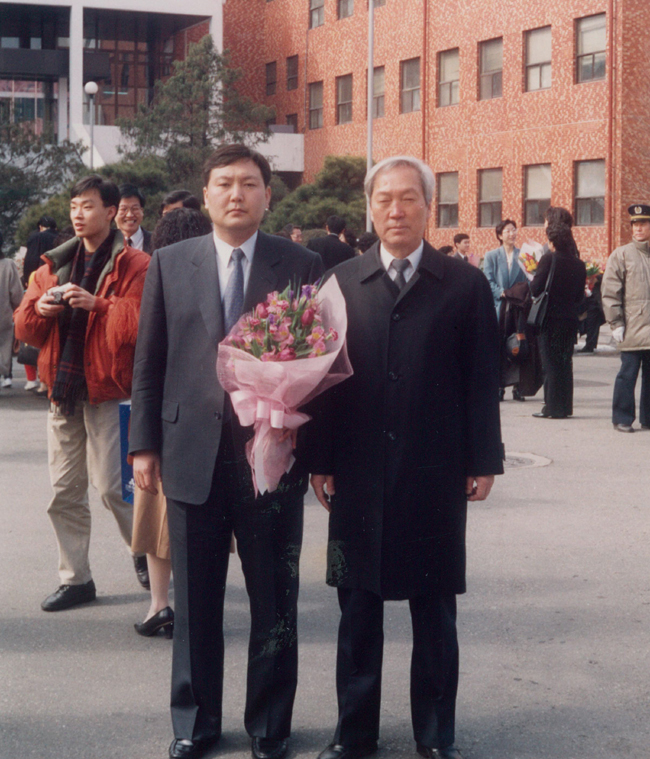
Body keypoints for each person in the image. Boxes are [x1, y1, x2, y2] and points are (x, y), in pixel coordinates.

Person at [303, 155, 503, 759]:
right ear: (371, 207)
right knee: (357, 609)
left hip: (434, 469)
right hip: (357, 473)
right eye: (384, 199)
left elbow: (480, 381)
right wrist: (320, 458)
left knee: (435, 610)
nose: (396, 209)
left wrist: (483, 458)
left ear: (428, 204)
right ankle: (354, 731)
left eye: (408, 198)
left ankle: (435, 734)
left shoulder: (464, 285)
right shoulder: (339, 283)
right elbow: (322, 379)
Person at [129, 143, 323, 759]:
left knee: (274, 600)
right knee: (195, 603)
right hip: (190, 454)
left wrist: (311, 452)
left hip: (271, 458)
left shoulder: (300, 262)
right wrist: (143, 446)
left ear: (268, 194)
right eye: (223, 183)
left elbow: (319, 360)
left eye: (248, 183)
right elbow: (149, 361)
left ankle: (270, 724)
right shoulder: (169, 262)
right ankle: (194, 723)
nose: (235, 193)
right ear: (207, 194)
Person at [14, 174, 151, 611]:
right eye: (74, 205)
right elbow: (24, 328)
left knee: (115, 488)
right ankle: (76, 578)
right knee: (63, 490)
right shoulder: (50, 266)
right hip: (63, 390)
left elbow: (141, 323)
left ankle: (147, 552)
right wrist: (40, 308)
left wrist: (99, 304)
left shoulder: (135, 264)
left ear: (111, 212)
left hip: (109, 389)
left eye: (88, 206)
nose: (78, 214)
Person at [131, 207, 213, 639]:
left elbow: (146, 358)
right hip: (208, 421)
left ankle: (158, 604)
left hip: (165, 418)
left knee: (155, 517)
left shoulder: (158, 273)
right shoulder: (209, 274)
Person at [530, 222, 586, 419]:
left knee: (550, 363)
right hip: (569, 320)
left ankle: (552, 407)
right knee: (565, 362)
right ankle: (565, 407)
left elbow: (535, 288)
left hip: (549, 319)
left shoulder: (548, 259)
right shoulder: (579, 264)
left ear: (552, 241)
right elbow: (580, 296)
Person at [602, 203, 650, 433]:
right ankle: (621, 417)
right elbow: (611, 291)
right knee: (627, 374)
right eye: (635, 224)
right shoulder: (622, 254)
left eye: (643, 223)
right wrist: (616, 322)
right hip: (632, 326)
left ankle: (648, 418)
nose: (638, 228)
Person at [483, 219, 528, 401]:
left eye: (514, 230)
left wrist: (517, 293)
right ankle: (499, 386)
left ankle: (518, 387)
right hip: (499, 307)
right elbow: (488, 280)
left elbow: (529, 280)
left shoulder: (524, 255)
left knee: (518, 345)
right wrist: (501, 292)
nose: (512, 234)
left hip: (517, 308)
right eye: (508, 231)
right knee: (499, 345)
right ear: (500, 235)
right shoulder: (491, 256)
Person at [0, 231, 24, 389]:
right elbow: (16, 292)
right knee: (4, 346)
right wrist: (19, 309)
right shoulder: (7, 264)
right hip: (3, 315)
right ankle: (4, 373)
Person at [116, 184, 153, 254]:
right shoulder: (105, 244)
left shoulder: (156, 241)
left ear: (142, 211)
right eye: (124, 209)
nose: (129, 215)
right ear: (114, 212)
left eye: (135, 208)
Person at [23, 215, 58, 287]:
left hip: (37, 278)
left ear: (40, 227)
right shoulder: (60, 237)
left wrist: (26, 278)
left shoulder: (35, 237)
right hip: (56, 278)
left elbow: (30, 260)